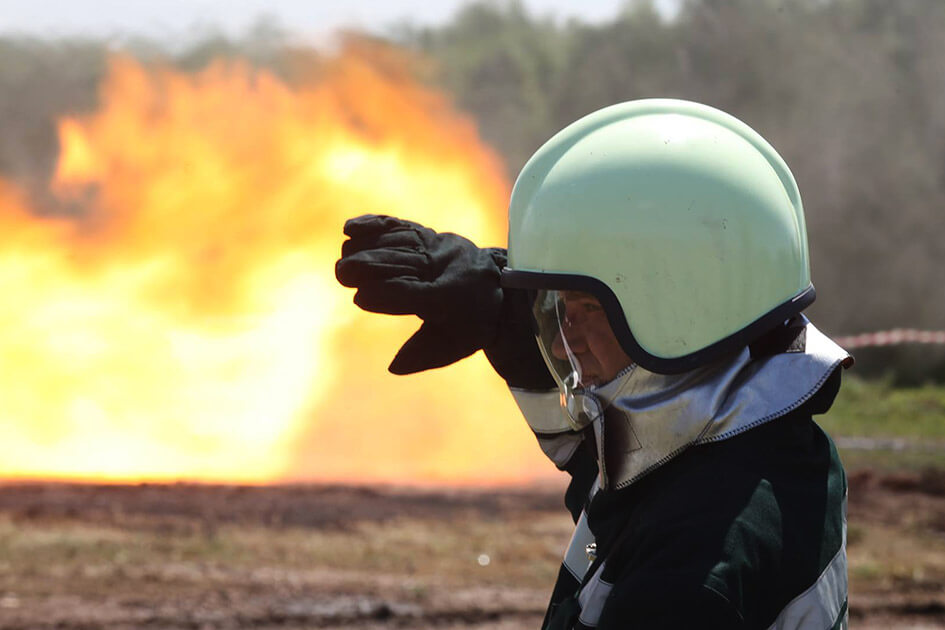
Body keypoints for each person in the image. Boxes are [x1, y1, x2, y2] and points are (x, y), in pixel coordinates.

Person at [335, 99, 852, 629]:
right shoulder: (757, 446)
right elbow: (621, 472)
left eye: (585, 308)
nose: (561, 345)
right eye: (558, 311)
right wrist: (507, 316)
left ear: (683, 309)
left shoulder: (693, 576)